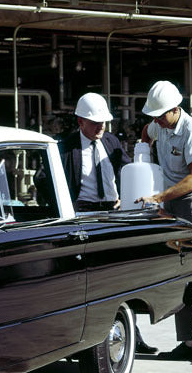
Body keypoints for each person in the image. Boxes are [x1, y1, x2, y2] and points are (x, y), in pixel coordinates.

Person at [138, 81, 192, 366]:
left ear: (176, 109)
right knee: (180, 273)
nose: (157, 121)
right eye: (154, 116)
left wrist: (159, 195)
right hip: (172, 204)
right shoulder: (159, 126)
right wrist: (143, 160)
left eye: (161, 115)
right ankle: (189, 342)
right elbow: (145, 135)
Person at [63, 92, 157, 355]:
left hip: (112, 215)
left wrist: (127, 198)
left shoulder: (112, 142)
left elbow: (127, 170)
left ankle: (132, 336)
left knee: (121, 277)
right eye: (96, 123)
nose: (101, 127)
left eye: (104, 122)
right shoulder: (66, 147)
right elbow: (44, 179)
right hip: (83, 216)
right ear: (80, 121)